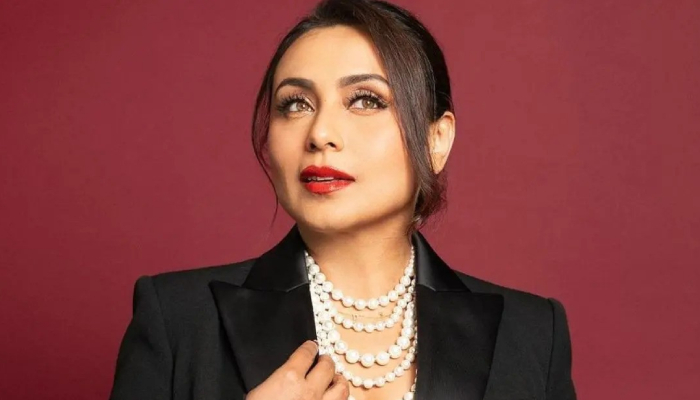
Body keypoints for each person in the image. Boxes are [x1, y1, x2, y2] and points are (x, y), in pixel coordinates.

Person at [109, 0, 577, 399]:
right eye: (295, 104)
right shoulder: (179, 320)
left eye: (365, 100)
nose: (320, 133)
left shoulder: (532, 334)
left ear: (436, 140)